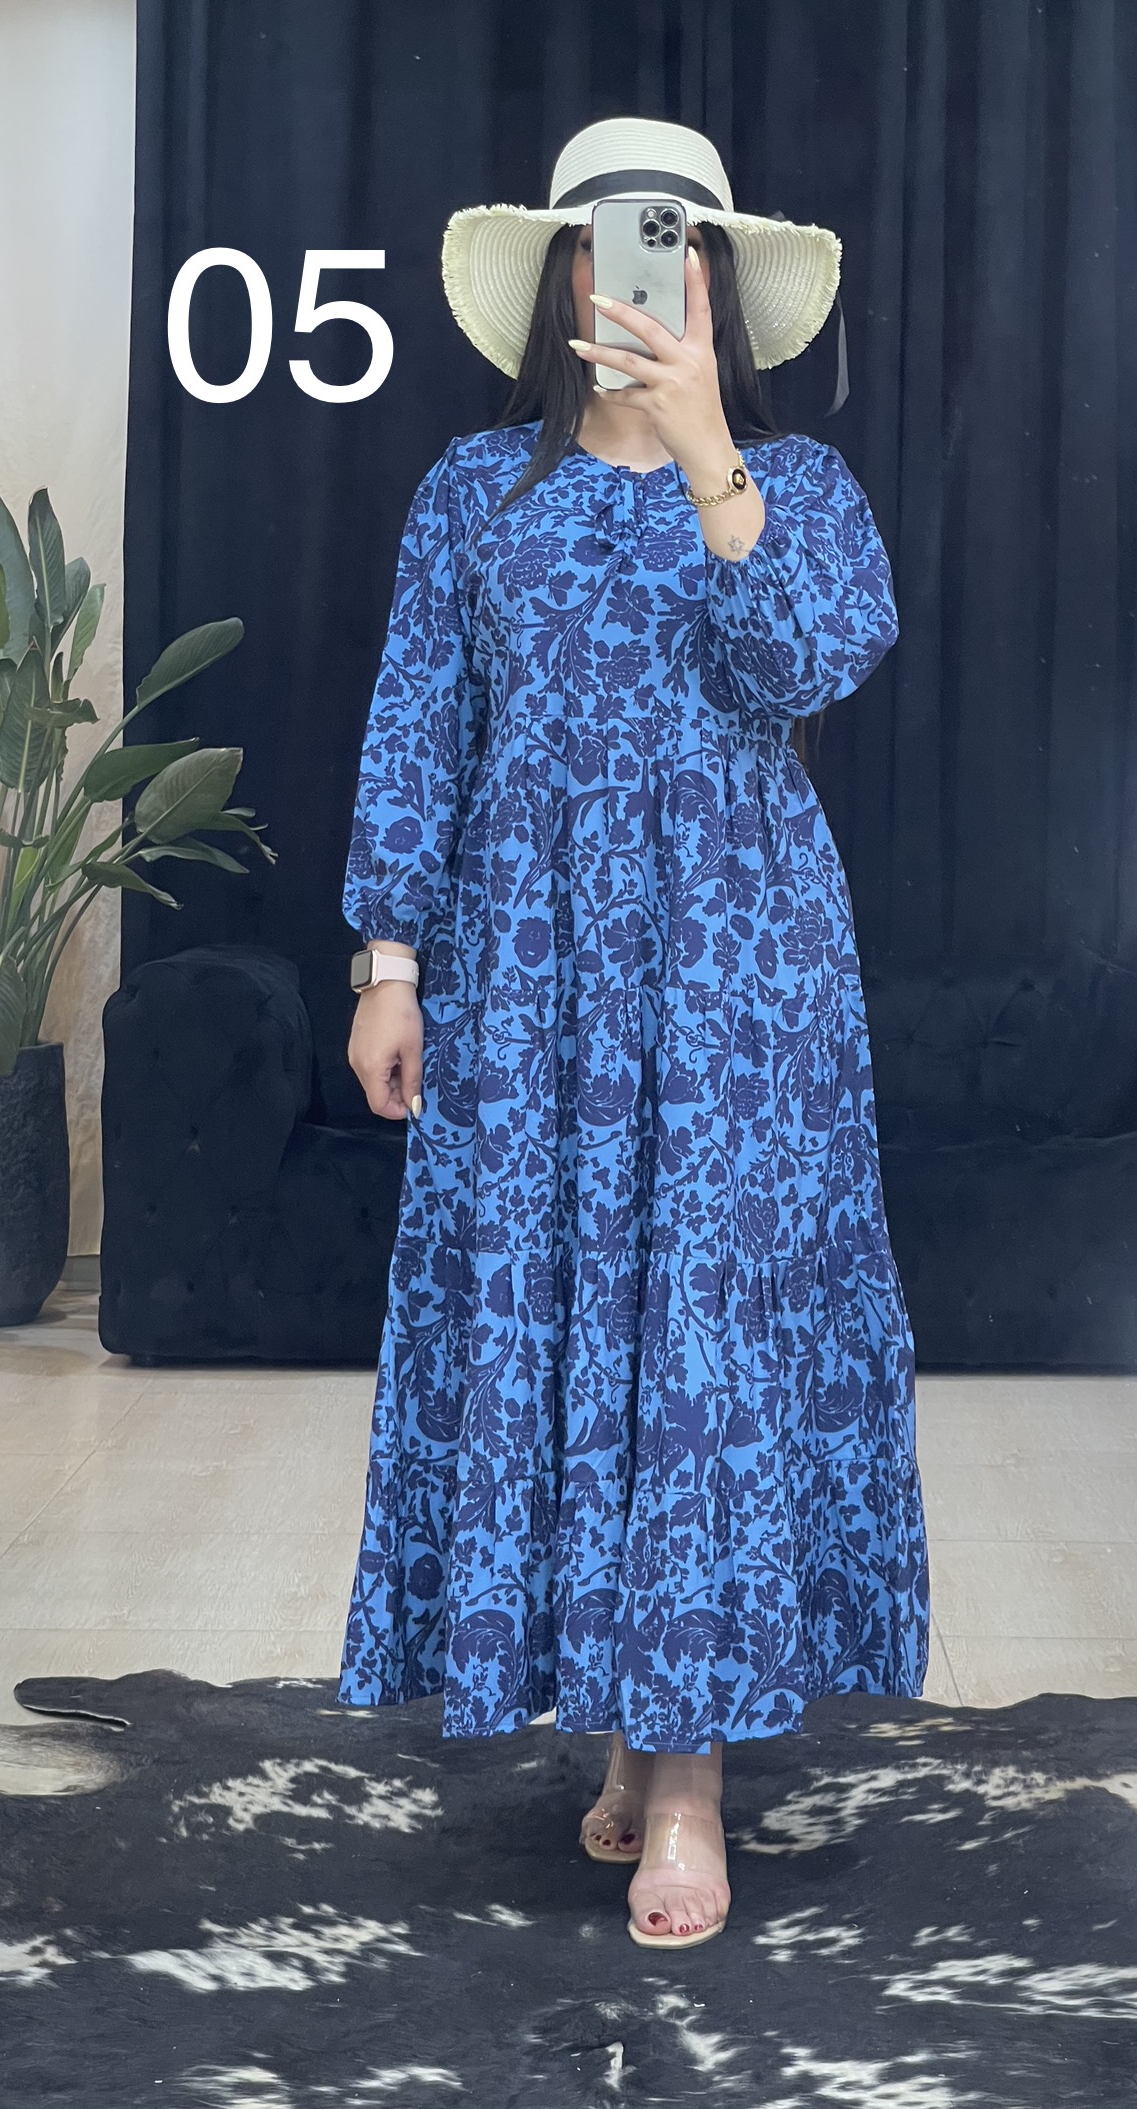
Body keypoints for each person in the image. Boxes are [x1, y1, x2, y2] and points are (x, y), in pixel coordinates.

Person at [338, 116, 929, 1951]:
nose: (634, 277)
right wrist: (388, 962)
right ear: (560, 281)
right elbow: (418, 719)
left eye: (669, 247)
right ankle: (621, 1717)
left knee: (698, 1345)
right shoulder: (469, 489)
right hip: (526, 969)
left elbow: (810, 657)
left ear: (716, 287)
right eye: (599, 244)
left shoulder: (793, 481)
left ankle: (686, 1778)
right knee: (563, 1323)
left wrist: (703, 455)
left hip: (739, 972)